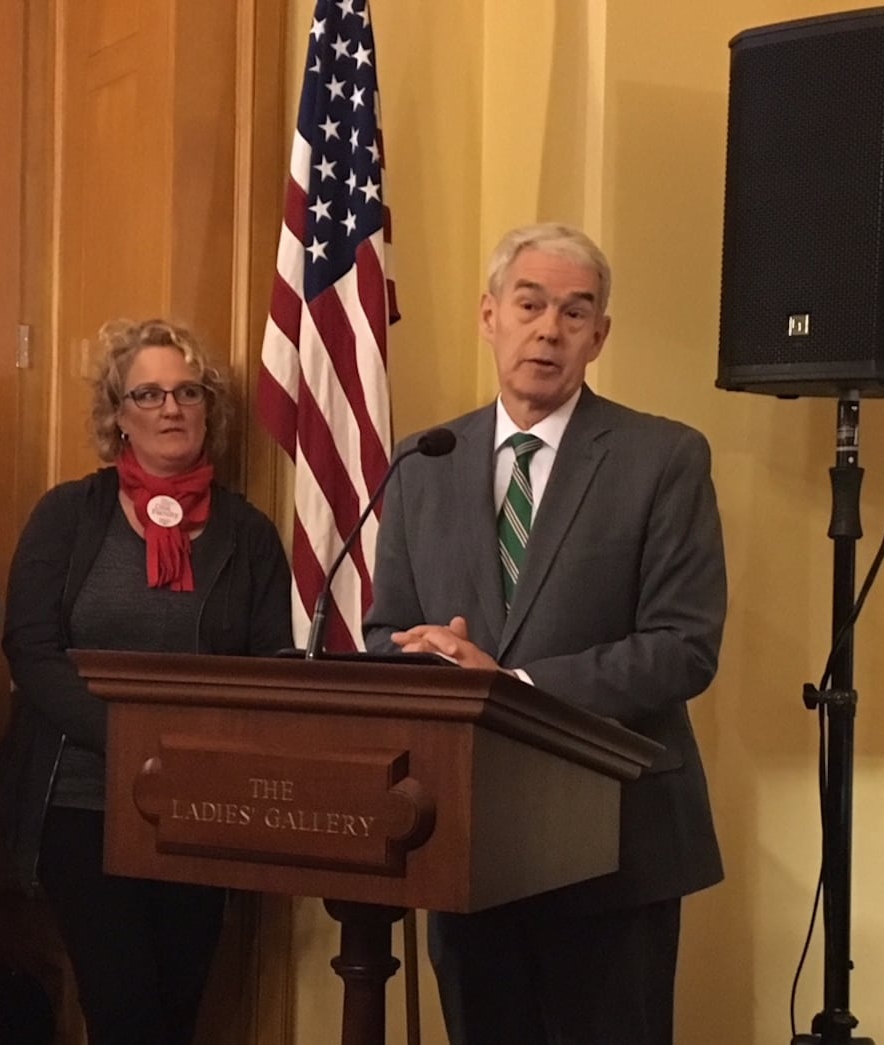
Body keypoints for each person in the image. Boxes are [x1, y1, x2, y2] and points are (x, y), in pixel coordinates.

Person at [364, 223, 727, 1045]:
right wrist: (419, 656)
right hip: (462, 841)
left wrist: (511, 691)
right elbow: (387, 627)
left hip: (614, 845)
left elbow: (683, 645)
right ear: (489, 316)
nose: (549, 329)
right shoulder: (423, 461)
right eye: (529, 305)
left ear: (599, 336)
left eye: (575, 312)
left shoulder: (661, 457)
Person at [0, 318, 292, 1045]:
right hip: (81, 801)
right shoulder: (68, 514)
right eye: (149, 393)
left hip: (204, 801)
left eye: (188, 391)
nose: (170, 408)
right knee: (124, 1010)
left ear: (208, 407)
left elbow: (272, 660)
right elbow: (30, 650)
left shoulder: (248, 533)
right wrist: (127, 737)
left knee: (176, 1009)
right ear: (118, 414)